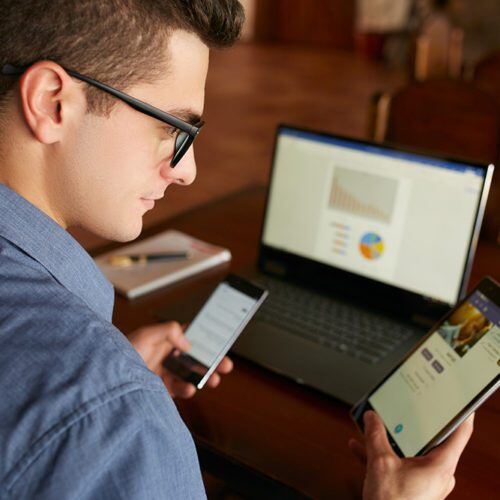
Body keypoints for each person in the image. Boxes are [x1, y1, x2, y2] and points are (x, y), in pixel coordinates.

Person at [0, 1, 474, 498]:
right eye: (172, 130)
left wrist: (114, 379)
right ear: (54, 102)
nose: (188, 171)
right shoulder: (122, 426)